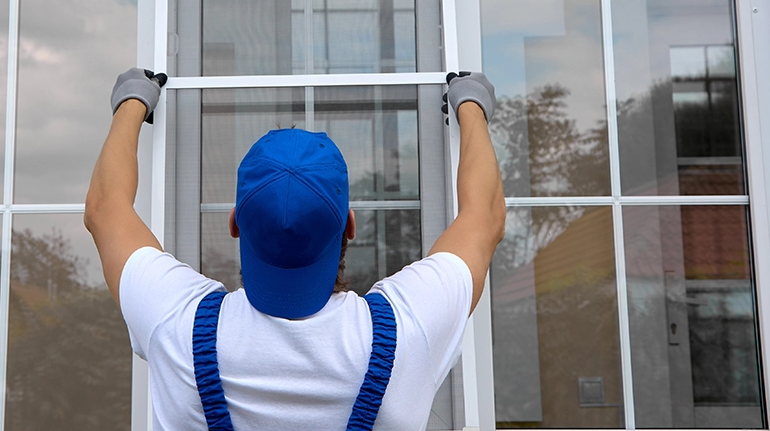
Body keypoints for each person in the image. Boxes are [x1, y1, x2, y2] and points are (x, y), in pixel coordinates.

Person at [85, 68, 506, 429]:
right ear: (350, 226)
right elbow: (483, 217)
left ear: (235, 223)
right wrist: (470, 103)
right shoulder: (408, 327)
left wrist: (133, 99)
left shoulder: (175, 322)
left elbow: (105, 209)